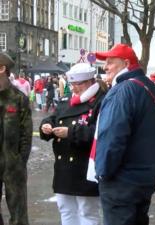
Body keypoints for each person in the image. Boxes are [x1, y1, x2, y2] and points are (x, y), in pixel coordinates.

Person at [91, 43, 155, 225]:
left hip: (122, 182)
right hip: (144, 178)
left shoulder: (122, 91)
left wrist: (103, 173)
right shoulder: (146, 86)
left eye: (110, 62)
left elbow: (112, 138)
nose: (105, 67)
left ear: (125, 63)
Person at [39, 63, 106, 225]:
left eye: (79, 84)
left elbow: (101, 133)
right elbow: (55, 117)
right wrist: (46, 125)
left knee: (87, 212)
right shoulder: (67, 100)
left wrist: (71, 133)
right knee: (66, 210)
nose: (75, 88)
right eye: (72, 84)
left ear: (90, 81)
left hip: (85, 166)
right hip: (64, 169)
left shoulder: (101, 101)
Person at [0, 52, 32, 225]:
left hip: (13, 164)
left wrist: (20, 161)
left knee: (18, 212)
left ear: (2, 68)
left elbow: (26, 134)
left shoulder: (19, 99)